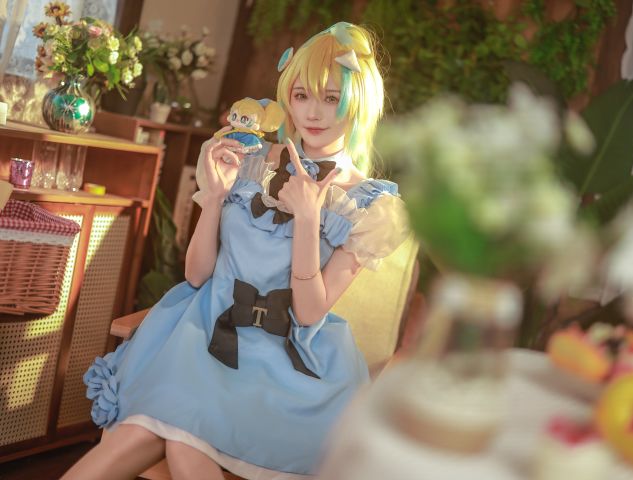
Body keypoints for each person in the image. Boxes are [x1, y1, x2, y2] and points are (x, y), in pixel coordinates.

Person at [62, 21, 407, 480]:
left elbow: (309, 312)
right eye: (301, 95)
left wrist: (309, 221)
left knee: (176, 436)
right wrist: (216, 198)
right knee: (162, 432)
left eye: (331, 98)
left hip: (284, 364)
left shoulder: (369, 205)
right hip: (205, 332)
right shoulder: (248, 160)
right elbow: (197, 275)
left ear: (357, 103)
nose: (313, 112)